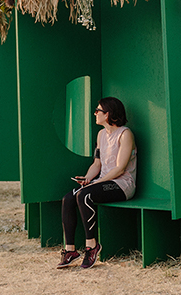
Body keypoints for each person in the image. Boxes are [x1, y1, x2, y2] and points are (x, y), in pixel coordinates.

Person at [57, 97, 137, 269]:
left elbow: (120, 168)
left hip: (122, 185)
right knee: (68, 198)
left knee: (85, 195)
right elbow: (97, 163)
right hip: (103, 182)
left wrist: (96, 183)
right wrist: (87, 179)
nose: (95, 113)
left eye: (98, 110)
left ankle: (92, 246)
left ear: (108, 114)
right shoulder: (101, 135)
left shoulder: (125, 134)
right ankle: (70, 250)